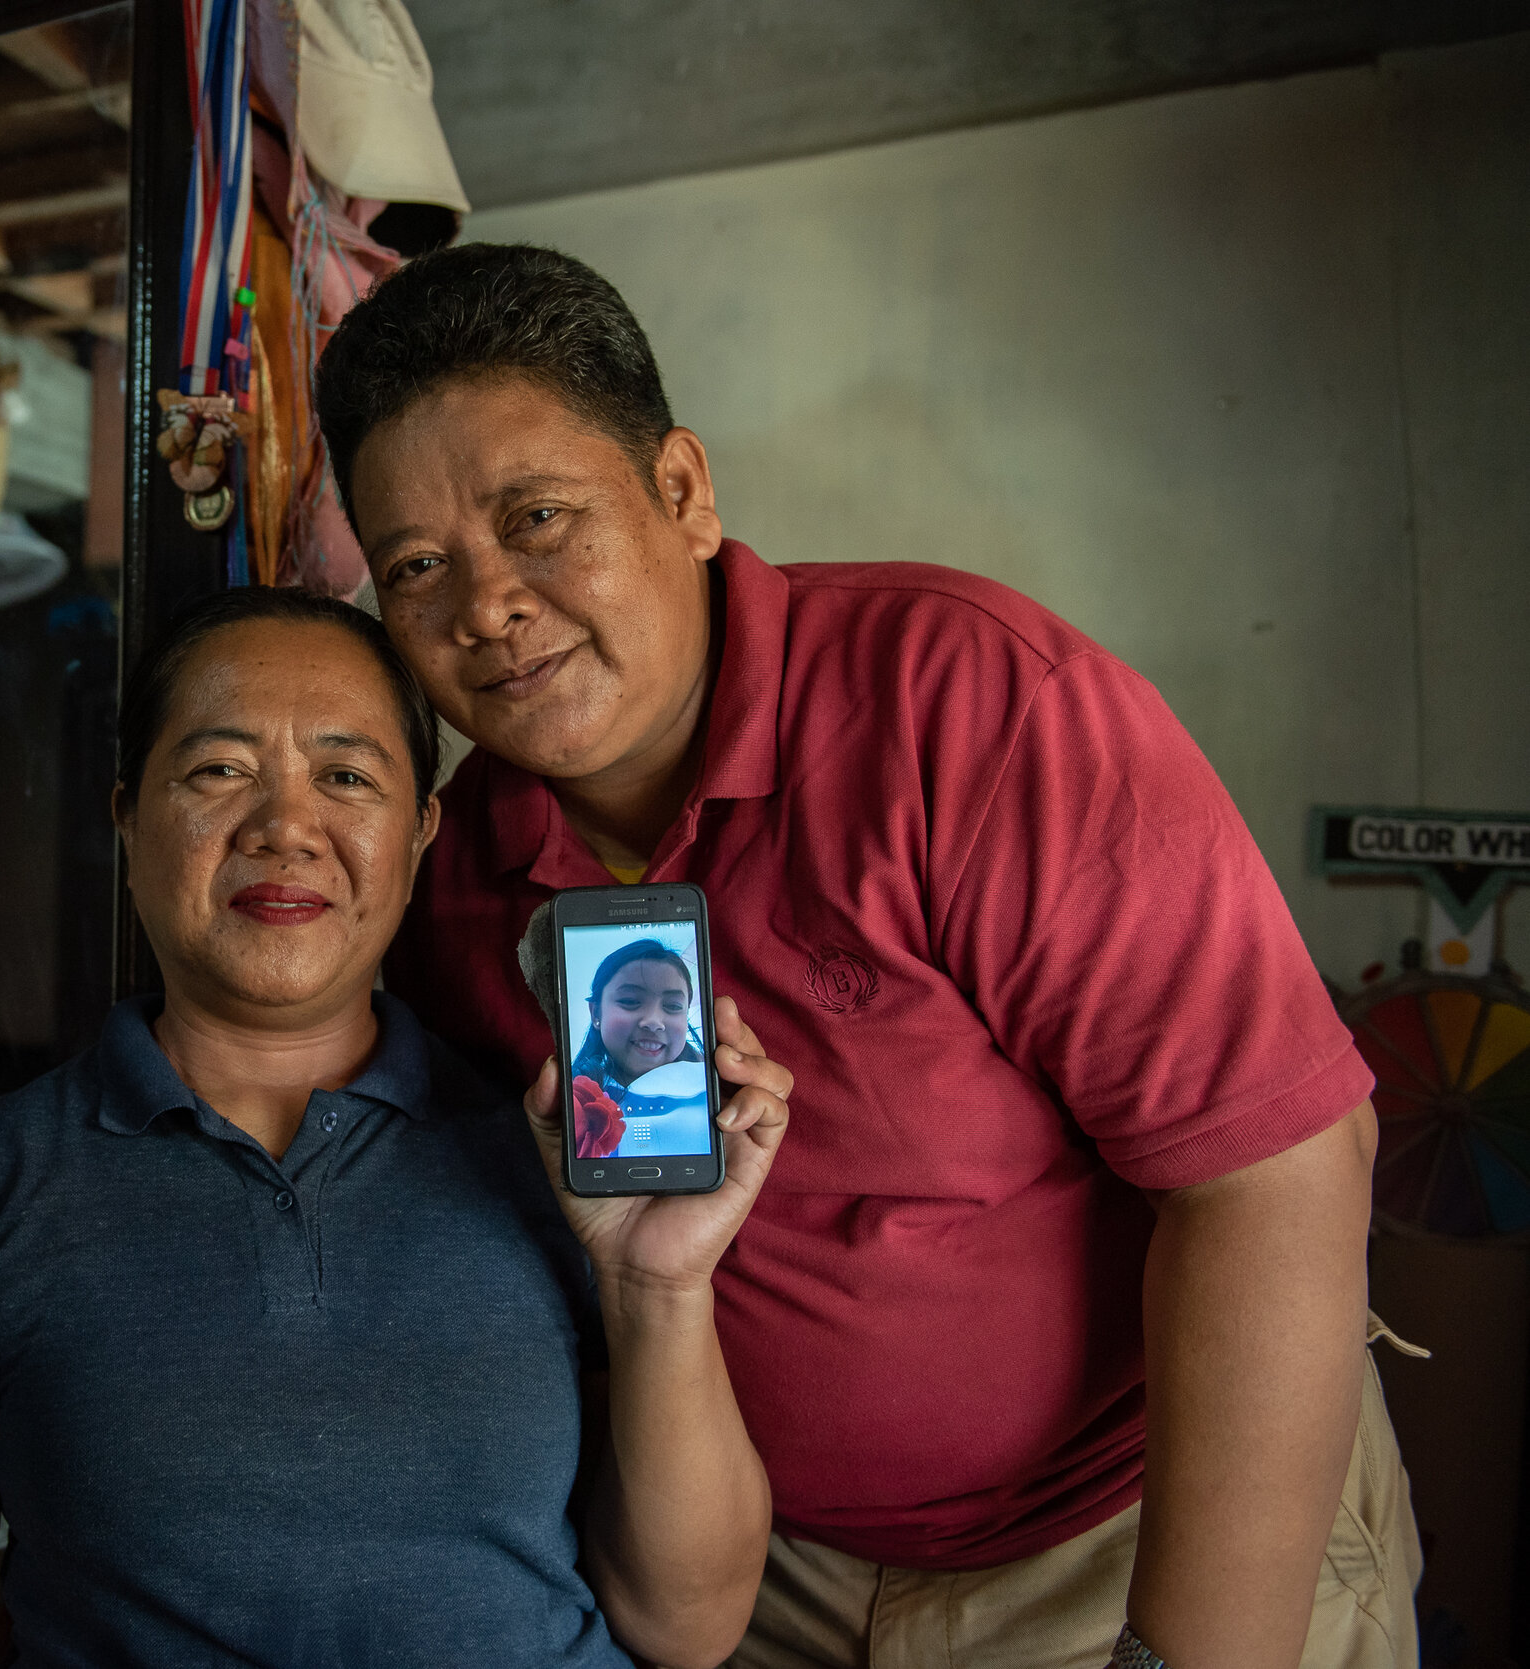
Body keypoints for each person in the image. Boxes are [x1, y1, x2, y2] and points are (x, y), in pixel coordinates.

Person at [316, 244, 1411, 1669]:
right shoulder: (447, 881)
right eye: (416, 569)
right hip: (755, 1578)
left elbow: (1278, 1178)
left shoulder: (973, 710)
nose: (488, 606)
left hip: (1132, 1533)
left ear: (684, 493)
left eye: (536, 518)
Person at [0, 587, 796, 1669]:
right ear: (128, 814)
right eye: (219, 770)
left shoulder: (554, 1152)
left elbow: (687, 1627)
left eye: (346, 776)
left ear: (420, 831)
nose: (285, 827)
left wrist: (657, 1286)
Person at [571, 939, 704, 1161]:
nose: (653, 1022)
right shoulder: (571, 1096)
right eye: (630, 1001)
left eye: (672, 1006)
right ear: (596, 1013)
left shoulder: (709, 1091)